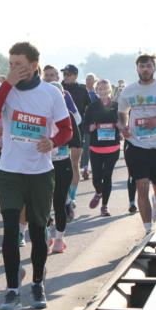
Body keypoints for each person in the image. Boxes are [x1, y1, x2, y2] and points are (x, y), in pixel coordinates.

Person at [0, 43, 72, 310]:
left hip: (40, 172)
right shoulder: (6, 91)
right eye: (10, 64)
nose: (14, 69)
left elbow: (67, 129)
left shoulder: (50, 93)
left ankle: (37, 284)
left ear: (34, 65)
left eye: (19, 64)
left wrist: (52, 142)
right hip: (10, 171)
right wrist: (6, 84)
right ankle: (11, 290)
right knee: (11, 230)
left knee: (37, 230)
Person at [119, 54, 156, 232]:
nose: (145, 69)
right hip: (136, 145)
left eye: (148, 66)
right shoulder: (128, 90)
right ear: (137, 69)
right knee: (141, 186)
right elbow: (122, 112)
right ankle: (148, 229)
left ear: (154, 68)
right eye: (142, 66)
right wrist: (123, 126)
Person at [47, 82, 82, 254]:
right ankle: (47, 236)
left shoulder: (67, 115)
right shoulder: (40, 113)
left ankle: (59, 239)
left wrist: (59, 141)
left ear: (63, 97)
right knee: (42, 203)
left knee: (58, 202)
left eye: (58, 95)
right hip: (42, 164)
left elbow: (76, 142)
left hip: (62, 163)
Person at [85, 79, 122, 216]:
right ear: (97, 91)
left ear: (109, 90)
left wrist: (120, 125)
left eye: (105, 88)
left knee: (107, 177)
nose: (103, 91)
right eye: (100, 89)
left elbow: (124, 122)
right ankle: (98, 192)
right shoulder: (92, 107)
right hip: (96, 148)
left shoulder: (116, 106)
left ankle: (104, 206)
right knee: (96, 178)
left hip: (112, 147)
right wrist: (91, 127)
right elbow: (85, 126)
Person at [60, 65, 89, 212]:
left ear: (75, 75)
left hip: (77, 131)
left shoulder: (82, 90)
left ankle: (72, 195)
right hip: (60, 131)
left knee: (74, 164)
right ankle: (63, 196)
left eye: (68, 74)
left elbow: (88, 109)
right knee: (60, 166)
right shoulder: (58, 88)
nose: (65, 76)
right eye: (64, 73)